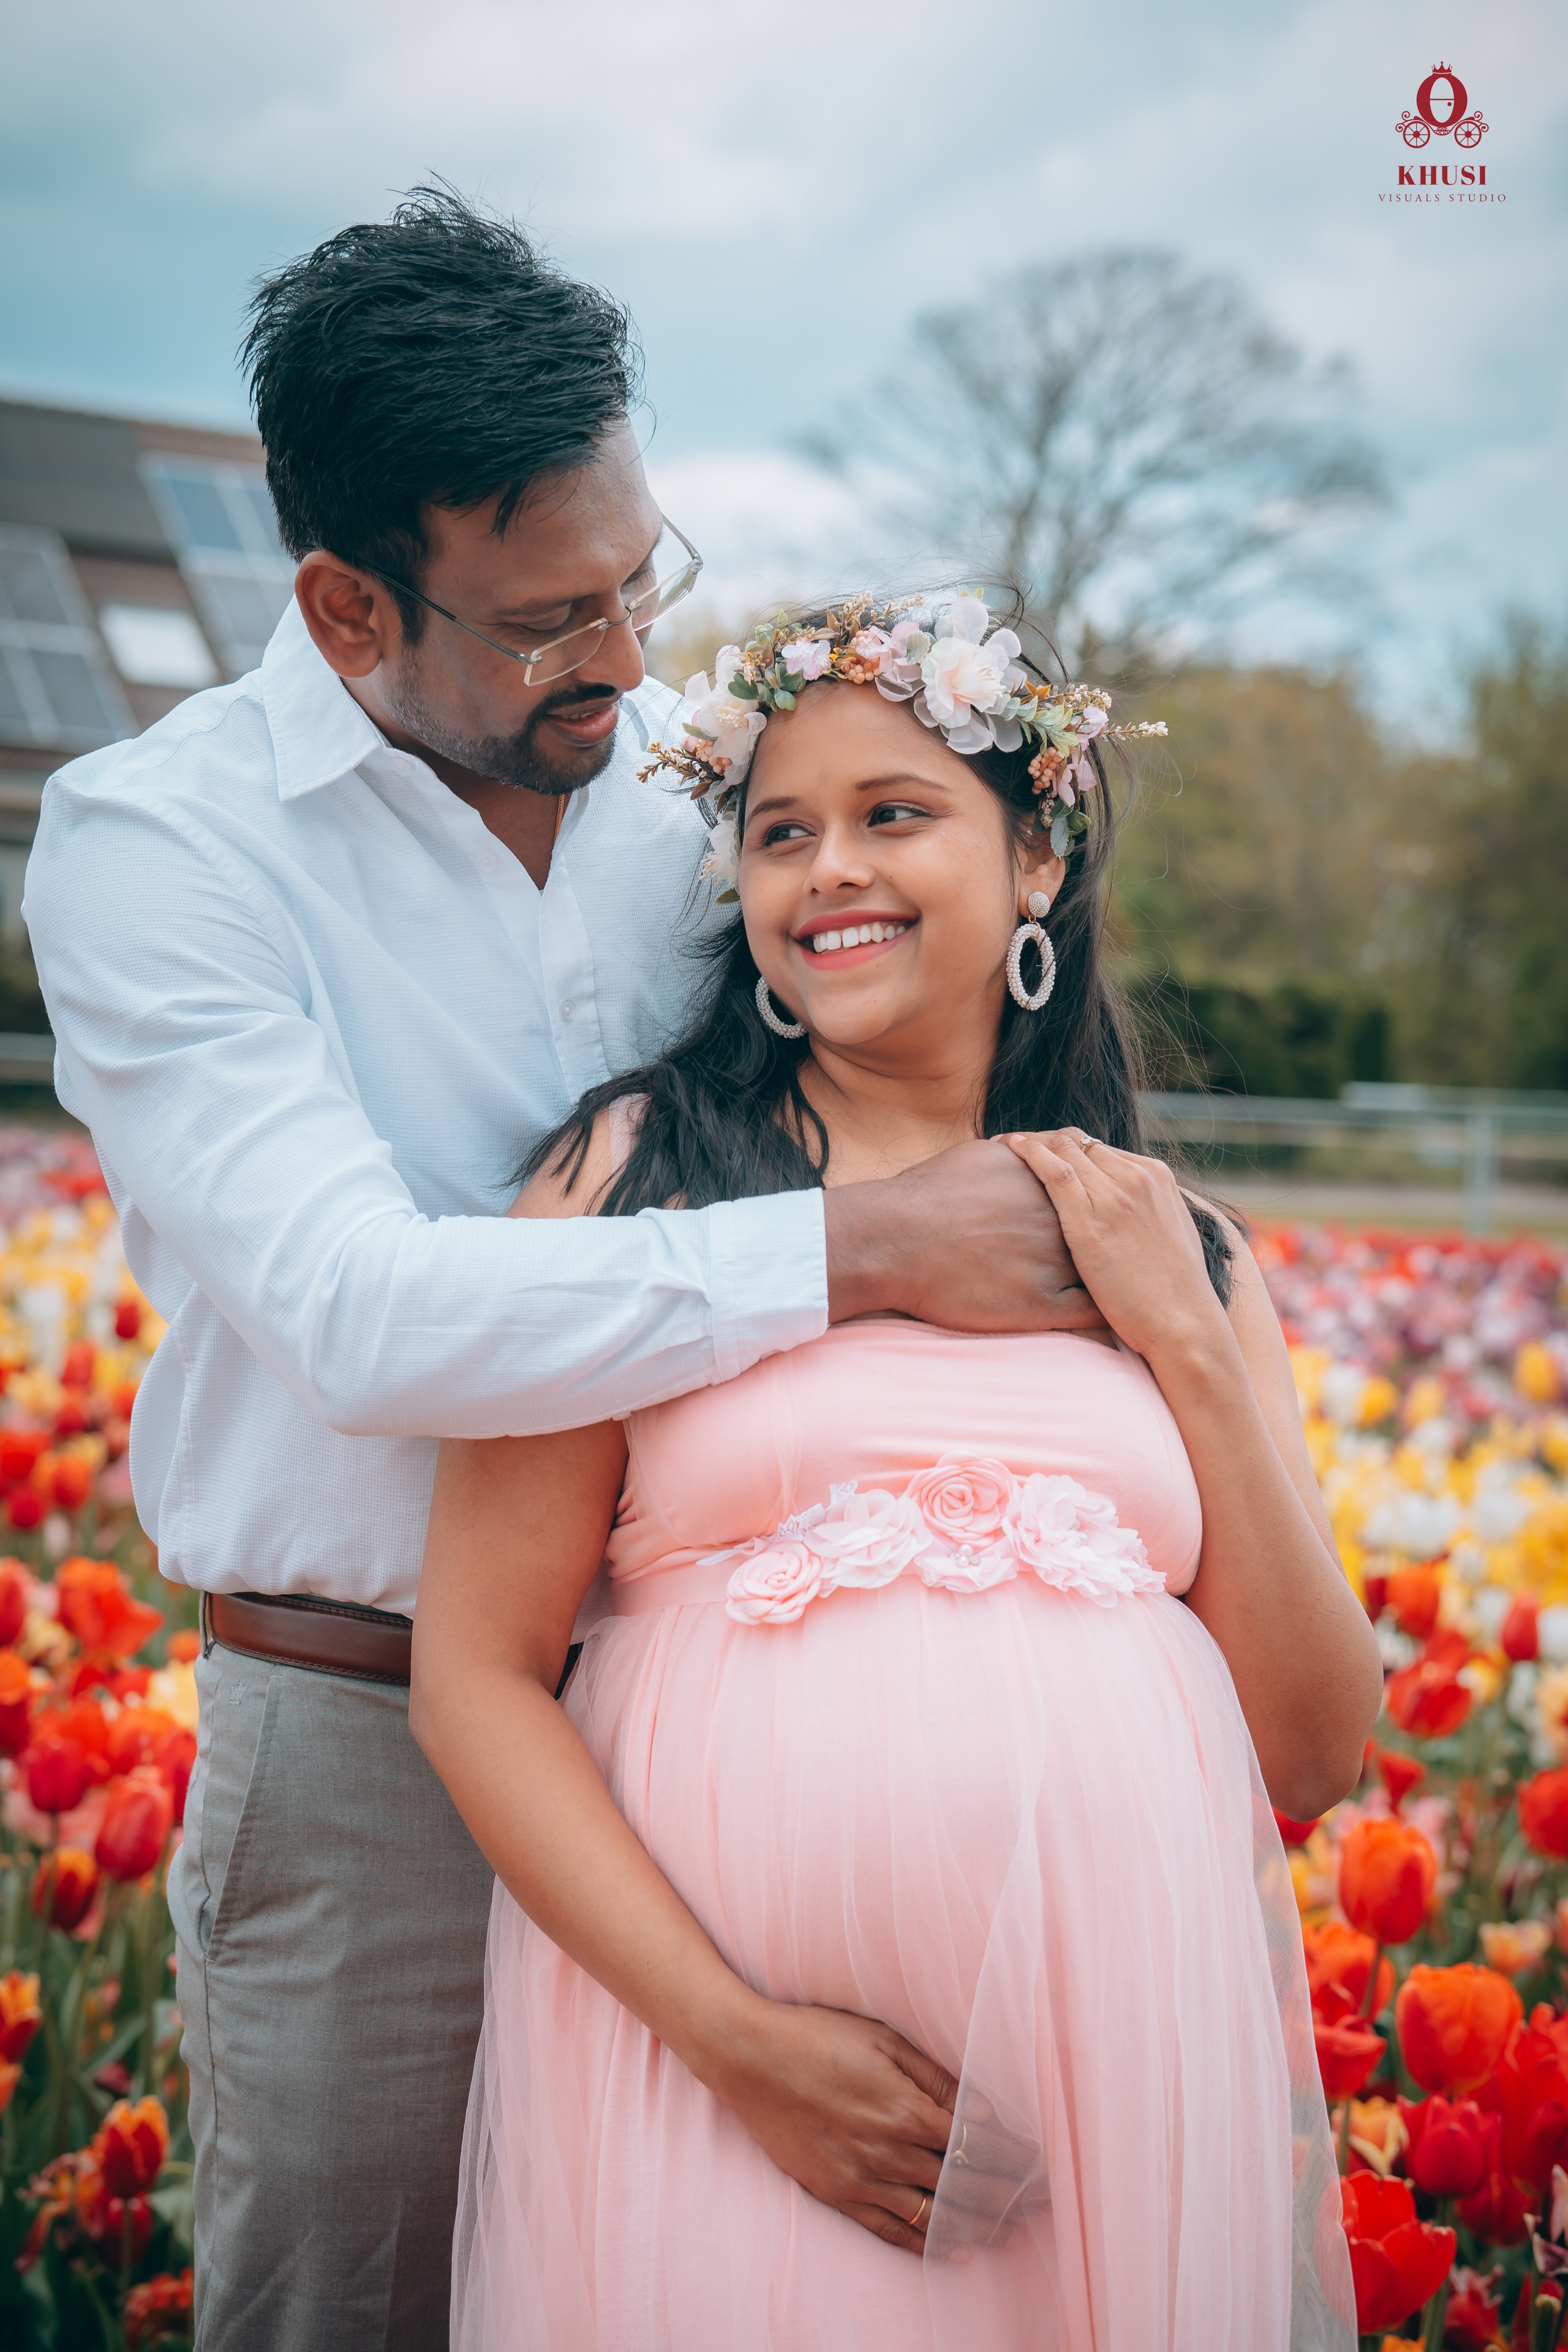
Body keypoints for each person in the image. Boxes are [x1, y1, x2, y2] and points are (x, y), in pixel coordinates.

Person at [22, 202, 1098, 2350]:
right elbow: (363, 1314)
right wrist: (858, 1253)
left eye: (642, 580)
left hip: (734, 1728)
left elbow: (927, 1026)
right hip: (372, 1762)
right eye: (547, 619)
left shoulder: (694, 800)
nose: (623, 656)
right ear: (344, 606)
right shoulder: (161, 849)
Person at [412, 590, 1382, 2350]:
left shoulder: (1182, 1251)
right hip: (720, 2083)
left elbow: (1316, 1749)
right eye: (781, 833)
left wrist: (1184, 1343)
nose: (828, 872)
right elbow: (473, 1675)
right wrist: (743, 2050)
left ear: (1035, 866)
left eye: (894, 814)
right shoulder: (636, 1180)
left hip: (1107, 2097)